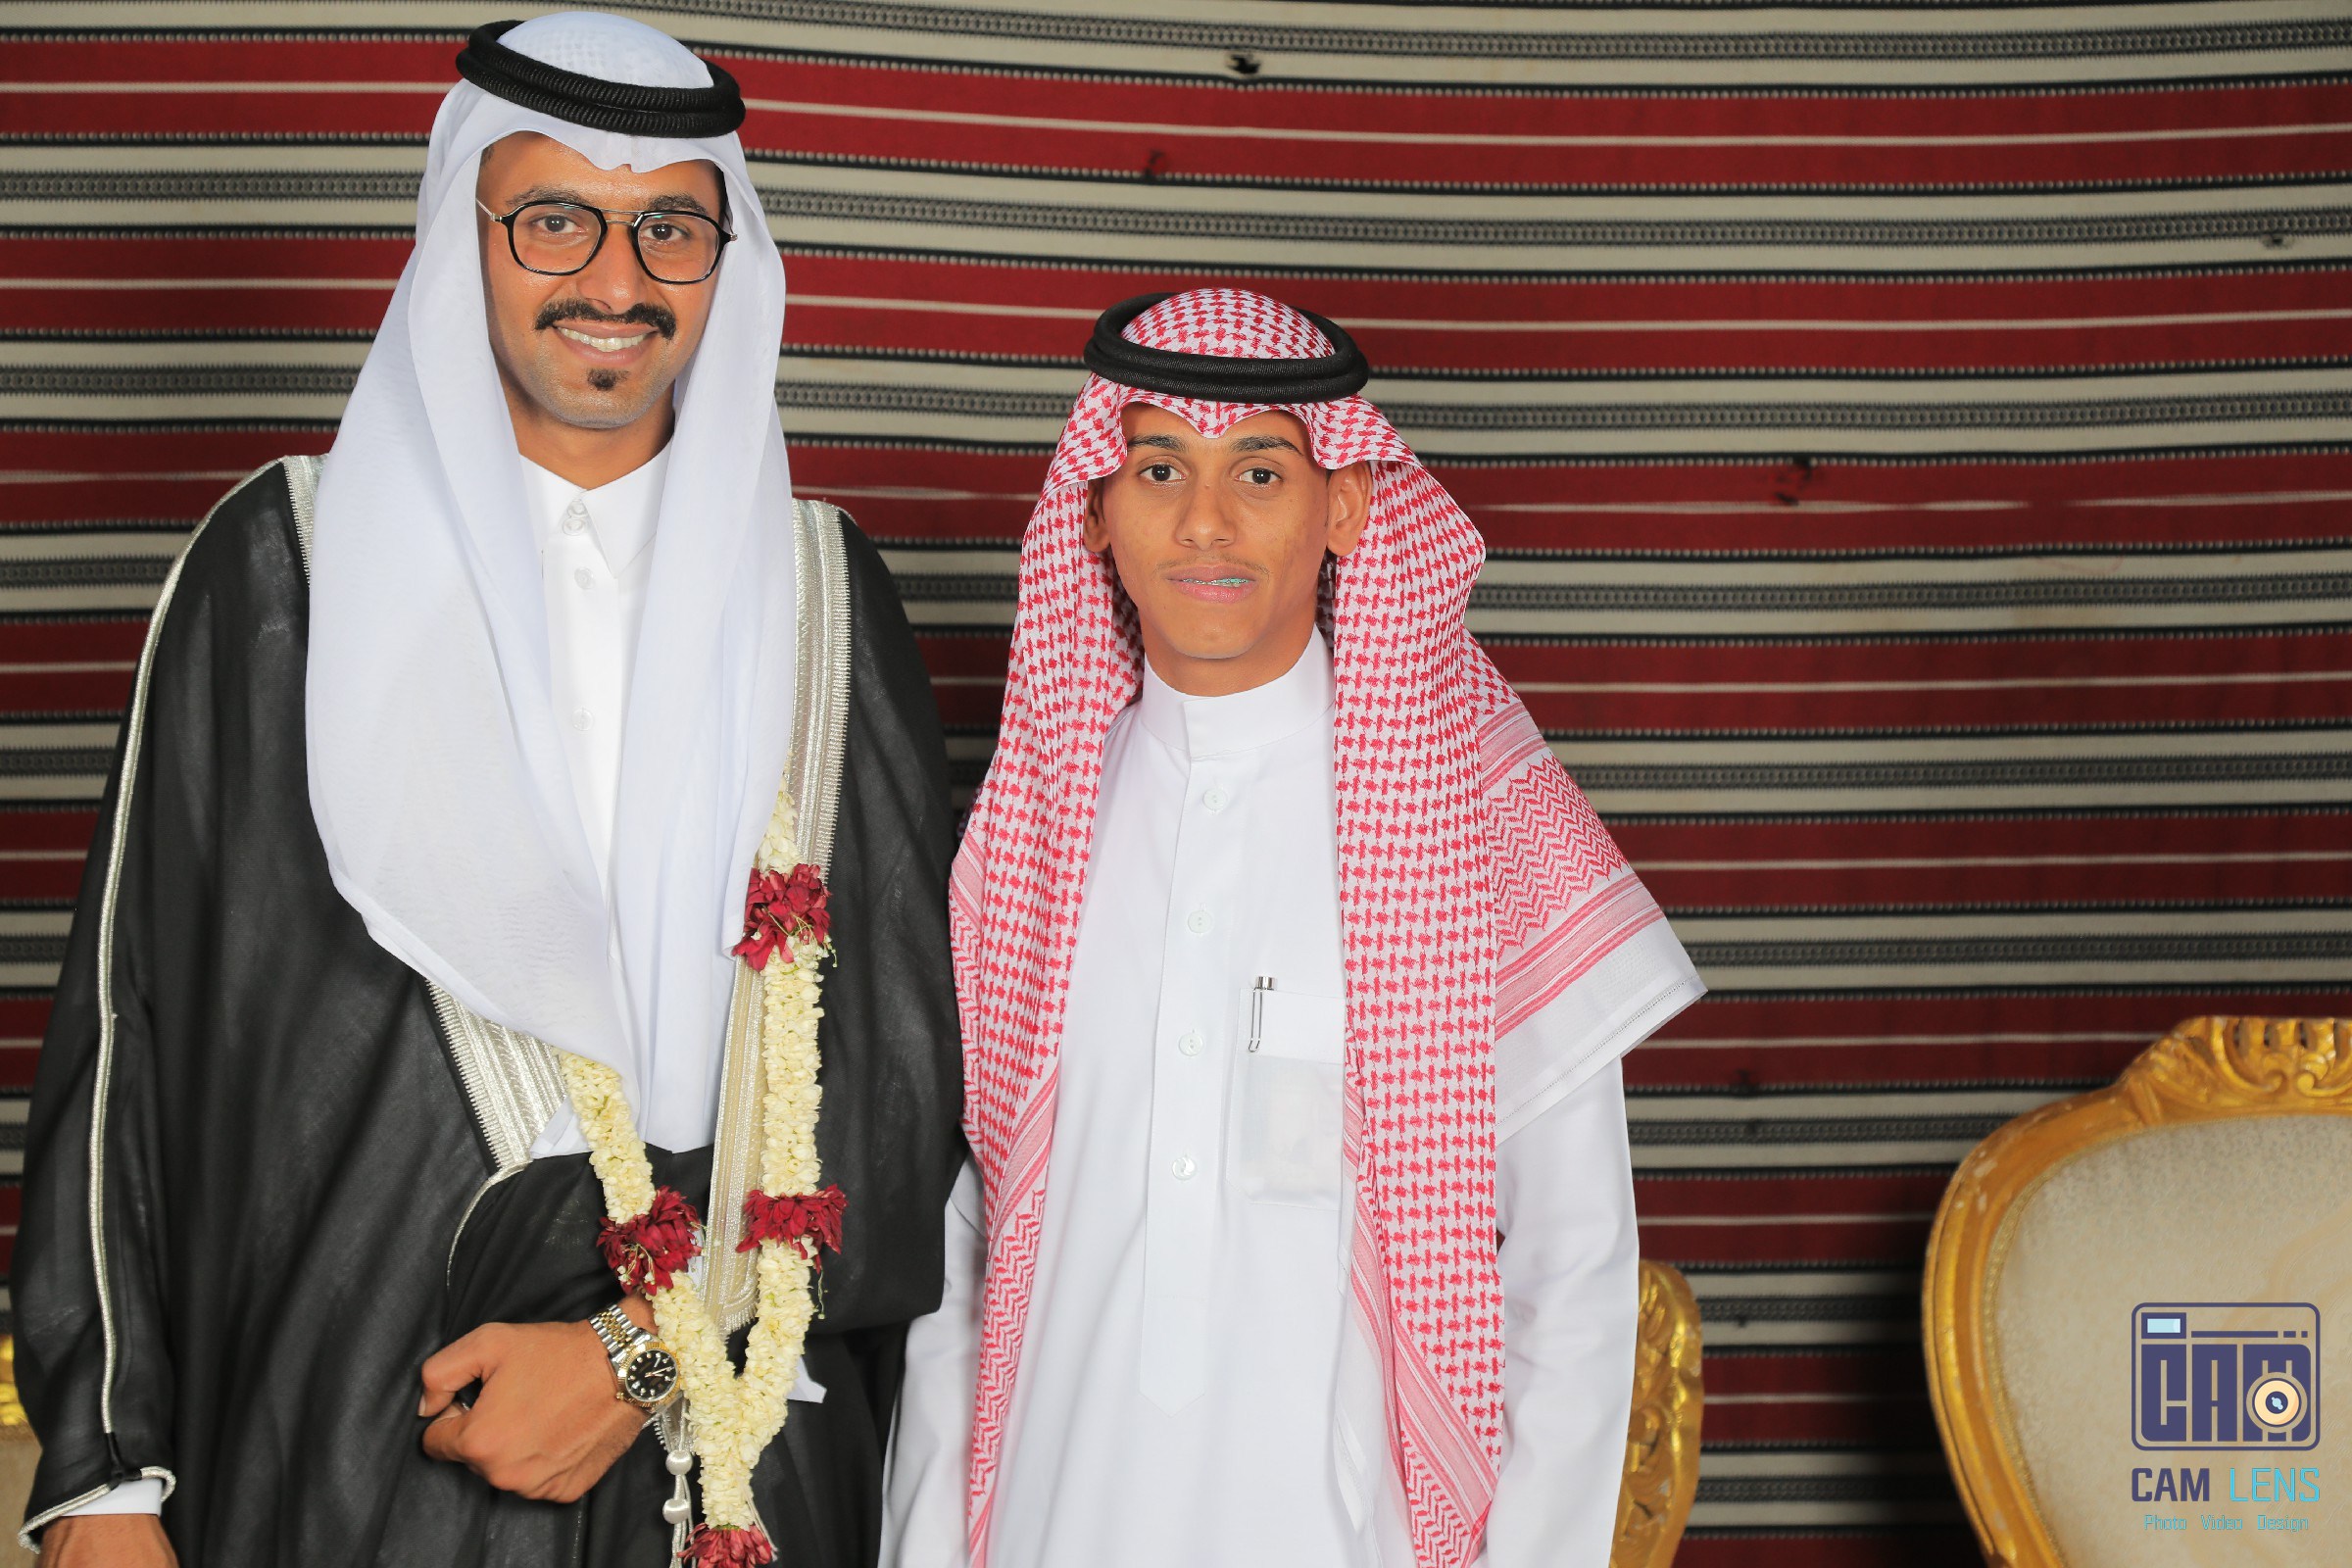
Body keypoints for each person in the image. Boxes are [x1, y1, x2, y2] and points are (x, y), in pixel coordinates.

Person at [16, 15, 960, 1567]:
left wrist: (638, 1354)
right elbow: (131, 1033)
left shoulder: (820, 595)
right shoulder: (280, 570)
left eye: (669, 227)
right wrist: (106, 1479)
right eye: (554, 219)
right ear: (465, 233)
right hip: (345, 1442)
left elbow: (900, 1089)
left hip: (734, 1467)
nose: (616, 279)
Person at [882, 288, 1705, 1568]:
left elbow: (1575, 1270)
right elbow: (967, 1265)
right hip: (1053, 1516)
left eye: (1260, 472)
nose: (1204, 521)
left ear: (1348, 506)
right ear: (1096, 509)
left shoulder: (1473, 818)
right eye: (1160, 469)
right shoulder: (1032, 827)